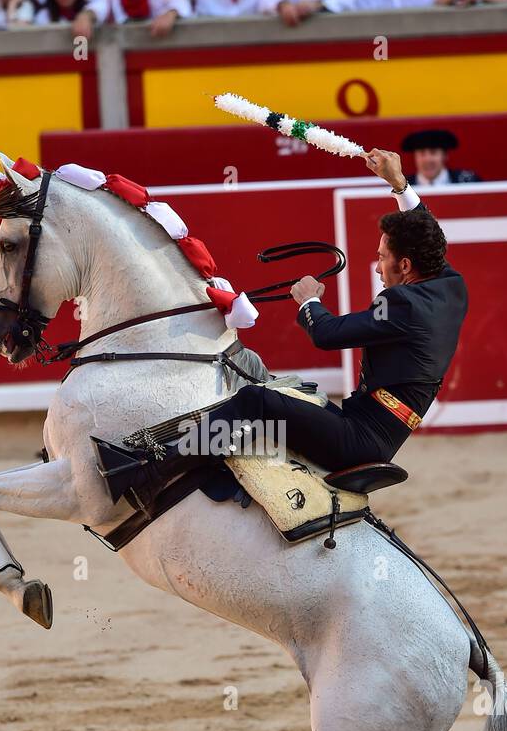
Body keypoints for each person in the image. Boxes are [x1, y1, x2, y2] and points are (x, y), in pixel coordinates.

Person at [93, 147, 468, 505]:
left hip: (359, 440)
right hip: (370, 429)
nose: (376, 266)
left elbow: (327, 335)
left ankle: (144, 473)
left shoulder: (403, 304)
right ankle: (172, 450)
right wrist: (399, 183)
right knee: (254, 374)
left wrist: (309, 301)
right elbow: (427, 232)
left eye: (382, 257)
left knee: (256, 400)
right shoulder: (448, 285)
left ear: (404, 266)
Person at [402, 128, 480, 185]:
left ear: (445, 156)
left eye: (433, 153)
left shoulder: (467, 182)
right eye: (422, 153)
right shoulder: (403, 187)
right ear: (415, 157)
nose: (427, 159)